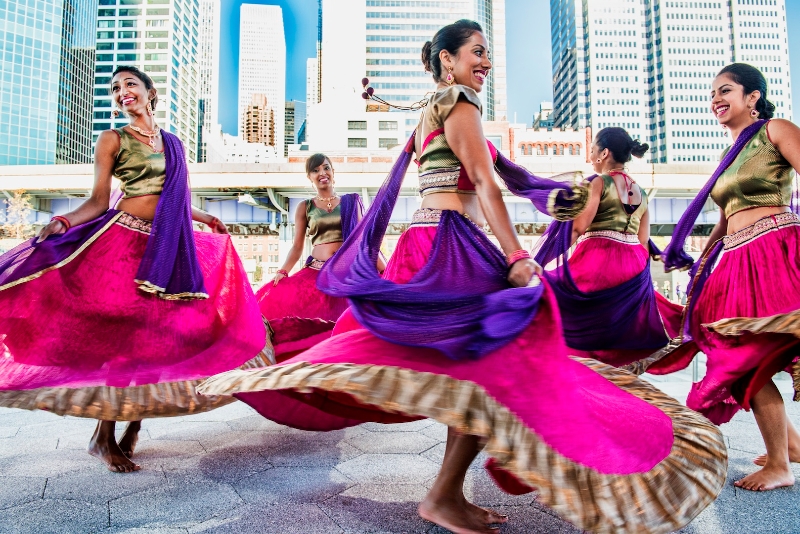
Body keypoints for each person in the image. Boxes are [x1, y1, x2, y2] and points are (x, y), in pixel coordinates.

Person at [200, 20, 727, 534]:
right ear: (447, 60)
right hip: (453, 247)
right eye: (477, 51)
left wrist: (542, 197)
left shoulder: (432, 111)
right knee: (495, 360)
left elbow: (493, 174)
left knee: (476, 365)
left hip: (432, 242)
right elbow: (482, 179)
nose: (487, 63)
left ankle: (445, 490)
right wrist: (517, 252)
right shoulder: (459, 102)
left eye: (487, 53)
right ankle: (443, 491)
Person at [0, 66, 270, 473]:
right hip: (122, 244)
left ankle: (134, 426)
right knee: (122, 340)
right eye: (114, 88)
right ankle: (103, 435)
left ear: (149, 92)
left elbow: (170, 197)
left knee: (158, 338)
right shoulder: (113, 139)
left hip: (165, 244)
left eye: (130, 84)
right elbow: (98, 200)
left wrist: (205, 216)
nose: (121, 92)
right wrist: (65, 222)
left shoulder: (174, 144)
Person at [648, 63, 800, 491]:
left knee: (744, 355)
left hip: (773, 252)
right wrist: (695, 256)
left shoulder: (776, 130)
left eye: (726, 90)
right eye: (712, 92)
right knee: (733, 354)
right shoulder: (728, 155)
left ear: (752, 97)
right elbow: (723, 218)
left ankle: (779, 465)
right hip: (735, 260)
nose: (716, 98)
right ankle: (788, 447)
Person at [537, 127, 683, 367]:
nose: (591, 154)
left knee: (548, 297)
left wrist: (540, 262)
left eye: (593, 149)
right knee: (613, 326)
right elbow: (643, 239)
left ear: (604, 153)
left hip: (598, 258)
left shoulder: (599, 183)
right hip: (633, 263)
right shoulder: (642, 192)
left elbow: (577, 228)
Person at [255, 154, 366, 361]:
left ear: (333, 172)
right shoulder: (305, 207)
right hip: (315, 276)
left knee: (345, 329)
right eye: (316, 170)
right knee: (305, 323)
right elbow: (297, 246)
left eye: (326, 168)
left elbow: (361, 241)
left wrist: (377, 268)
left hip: (345, 277)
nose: (322, 173)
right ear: (309, 177)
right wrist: (283, 271)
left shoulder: (351, 202)